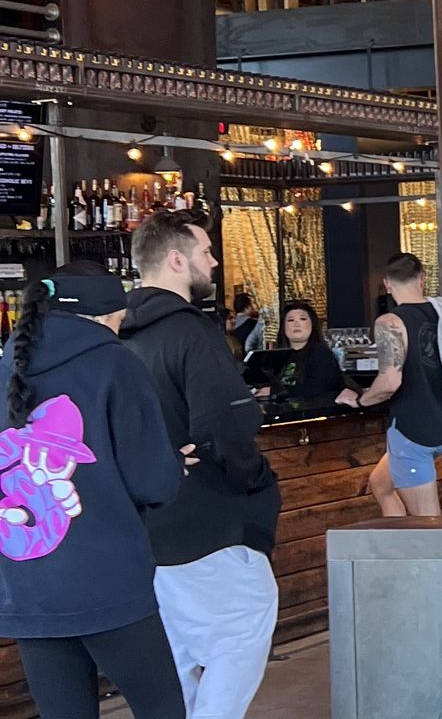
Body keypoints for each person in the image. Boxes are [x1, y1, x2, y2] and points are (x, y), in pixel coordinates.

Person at [1, 264, 186, 719]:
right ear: (104, 316)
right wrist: (175, 463)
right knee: (162, 710)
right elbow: (153, 482)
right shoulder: (115, 363)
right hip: (106, 576)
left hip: (26, 582)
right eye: (120, 320)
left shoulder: (7, 365)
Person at [122, 210, 282, 718]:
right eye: (206, 253)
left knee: (178, 655)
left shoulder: (118, 336)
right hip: (212, 521)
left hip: (149, 528)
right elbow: (225, 427)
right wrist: (257, 483)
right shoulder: (192, 334)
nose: (214, 262)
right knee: (241, 638)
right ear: (175, 259)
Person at [353, 255, 442, 517]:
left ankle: (429, 558)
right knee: (380, 484)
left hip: (412, 431)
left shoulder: (389, 323)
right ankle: (395, 554)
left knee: (428, 522)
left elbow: (389, 382)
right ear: (422, 278)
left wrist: (361, 399)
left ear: (386, 284)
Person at [261, 300, 355, 409]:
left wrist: (276, 391)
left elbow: (317, 389)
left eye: (303, 319)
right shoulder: (277, 357)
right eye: (290, 320)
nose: (297, 324)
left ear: (312, 324)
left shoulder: (320, 354)